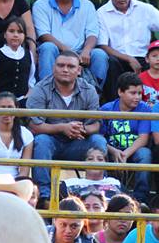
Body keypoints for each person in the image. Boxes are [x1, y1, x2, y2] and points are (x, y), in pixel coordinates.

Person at [26, 50, 105, 202]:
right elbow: (34, 125)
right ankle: (45, 195)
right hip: (51, 142)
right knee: (41, 141)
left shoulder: (89, 90)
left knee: (98, 141)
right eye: (61, 65)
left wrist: (82, 129)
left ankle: (98, 190)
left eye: (70, 66)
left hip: (80, 142)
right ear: (53, 67)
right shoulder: (41, 88)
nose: (65, 69)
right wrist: (63, 127)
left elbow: (96, 124)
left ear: (79, 70)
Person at [32, 0, 107, 90]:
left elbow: (92, 34)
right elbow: (44, 34)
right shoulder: (40, 5)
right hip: (56, 51)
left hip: (81, 52)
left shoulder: (87, 5)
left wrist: (86, 51)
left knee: (100, 55)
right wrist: (68, 52)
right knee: (47, 47)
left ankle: (92, 96)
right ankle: (47, 93)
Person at [96, 0, 159, 94]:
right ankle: (114, 107)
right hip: (117, 58)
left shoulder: (145, 9)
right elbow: (103, 45)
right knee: (110, 62)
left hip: (144, 58)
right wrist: (129, 59)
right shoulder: (101, 13)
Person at [99, 72, 152, 201]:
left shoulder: (144, 109)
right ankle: (103, 194)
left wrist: (125, 154)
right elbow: (99, 139)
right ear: (120, 92)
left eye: (139, 93)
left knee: (145, 154)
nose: (137, 97)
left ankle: (141, 198)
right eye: (133, 93)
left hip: (132, 151)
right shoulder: (107, 109)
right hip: (111, 150)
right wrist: (114, 151)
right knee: (99, 152)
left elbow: (143, 138)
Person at [0, 16, 36, 104]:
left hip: (23, 99)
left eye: (20, 32)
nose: (15, 35)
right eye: (11, 31)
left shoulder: (28, 55)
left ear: (24, 35)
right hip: (1, 101)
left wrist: (30, 92)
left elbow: (31, 77)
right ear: (5, 34)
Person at [59, 147, 123, 200]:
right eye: (90, 159)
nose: (95, 162)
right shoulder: (68, 184)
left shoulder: (115, 183)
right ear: (83, 163)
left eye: (100, 159)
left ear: (106, 163)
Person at [139, 40, 159, 107]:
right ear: (147, 59)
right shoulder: (140, 78)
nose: (158, 59)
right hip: (145, 113)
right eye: (154, 56)